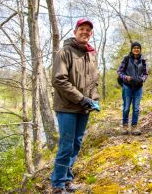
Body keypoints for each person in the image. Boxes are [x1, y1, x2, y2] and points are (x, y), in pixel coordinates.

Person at [51, 18, 100, 193]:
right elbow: (58, 80)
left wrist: (94, 99)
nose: (85, 32)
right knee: (66, 145)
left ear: (91, 33)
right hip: (66, 107)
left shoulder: (91, 54)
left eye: (88, 30)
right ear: (75, 31)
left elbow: (93, 81)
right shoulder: (64, 52)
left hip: (84, 107)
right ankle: (57, 184)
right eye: (82, 29)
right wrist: (81, 98)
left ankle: (66, 181)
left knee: (77, 144)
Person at [117, 41, 148, 135]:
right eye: (134, 48)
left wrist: (142, 79)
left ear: (140, 49)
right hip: (127, 86)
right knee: (126, 107)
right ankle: (125, 126)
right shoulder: (126, 59)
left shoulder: (143, 61)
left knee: (136, 108)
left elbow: (146, 73)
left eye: (138, 48)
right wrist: (126, 77)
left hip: (138, 87)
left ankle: (134, 126)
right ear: (131, 49)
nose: (136, 49)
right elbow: (119, 71)